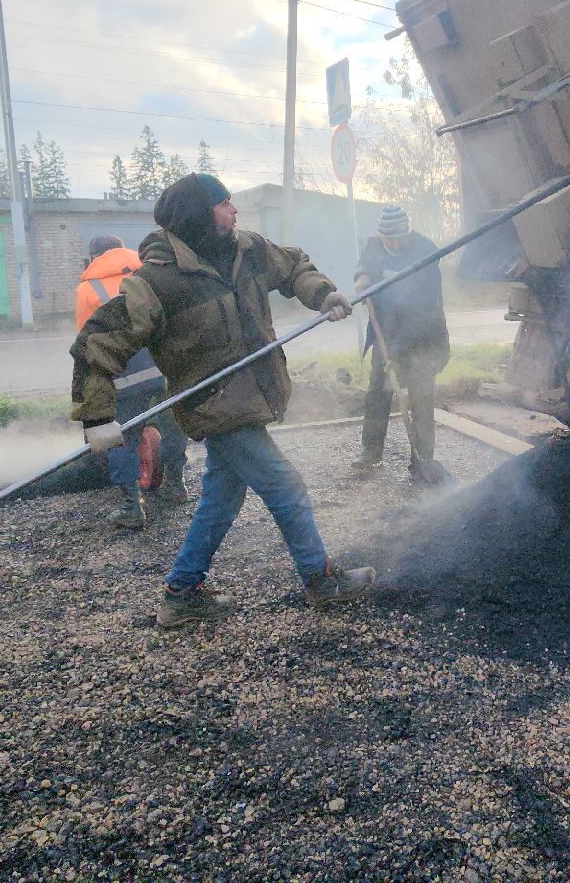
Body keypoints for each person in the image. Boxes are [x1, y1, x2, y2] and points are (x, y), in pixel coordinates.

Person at [71, 173, 375, 628]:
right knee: (285, 487)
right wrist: (97, 418)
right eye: (224, 203)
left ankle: (182, 593)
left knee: (220, 497)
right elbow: (97, 343)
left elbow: (293, 266)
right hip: (215, 405)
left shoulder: (247, 250)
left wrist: (322, 294)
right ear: (200, 214)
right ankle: (320, 579)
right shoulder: (156, 282)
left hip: (254, 392)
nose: (234, 210)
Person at [23, 235, 190, 530]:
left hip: (122, 374)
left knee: (120, 437)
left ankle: (132, 508)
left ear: (93, 257)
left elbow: (90, 343)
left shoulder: (88, 289)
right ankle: (176, 485)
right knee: (174, 422)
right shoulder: (150, 273)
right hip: (164, 366)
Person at [351, 205, 452, 484]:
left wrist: (394, 352)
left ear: (409, 232)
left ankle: (422, 459)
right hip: (384, 331)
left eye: (399, 239)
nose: (394, 244)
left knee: (420, 399)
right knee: (377, 394)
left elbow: (423, 313)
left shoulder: (426, 252)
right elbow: (365, 265)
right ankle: (371, 451)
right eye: (388, 239)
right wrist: (361, 277)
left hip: (422, 337)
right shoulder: (375, 246)